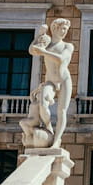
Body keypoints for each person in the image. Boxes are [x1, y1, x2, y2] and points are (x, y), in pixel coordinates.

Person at [29, 19, 73, 148]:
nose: (64, 32)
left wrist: (43, 52)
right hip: (50, 81)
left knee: (62, 111)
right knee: (43, 105)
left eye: (66, 29)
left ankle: (57, 140)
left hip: (64, 80)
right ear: (54, 28)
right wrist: (39, 35)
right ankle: (49, 130)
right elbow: (31, 50)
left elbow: (61, 59)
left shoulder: (67, 46)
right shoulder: (46, 43)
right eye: (62, 28)